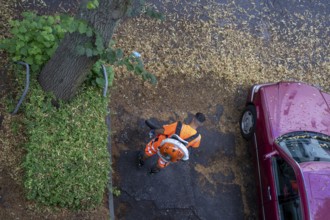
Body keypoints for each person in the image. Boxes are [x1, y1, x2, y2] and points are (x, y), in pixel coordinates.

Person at [138, 112, 206, 173]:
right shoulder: (198, 137)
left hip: (161, 143)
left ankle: (141, 161)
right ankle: (154, 170)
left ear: (193, 118)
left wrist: (154, 131)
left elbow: (163, 131)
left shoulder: (179, 125)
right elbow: (192, 147)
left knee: (150, 150)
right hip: (173, 153)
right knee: (163, 162)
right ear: (201, 124)